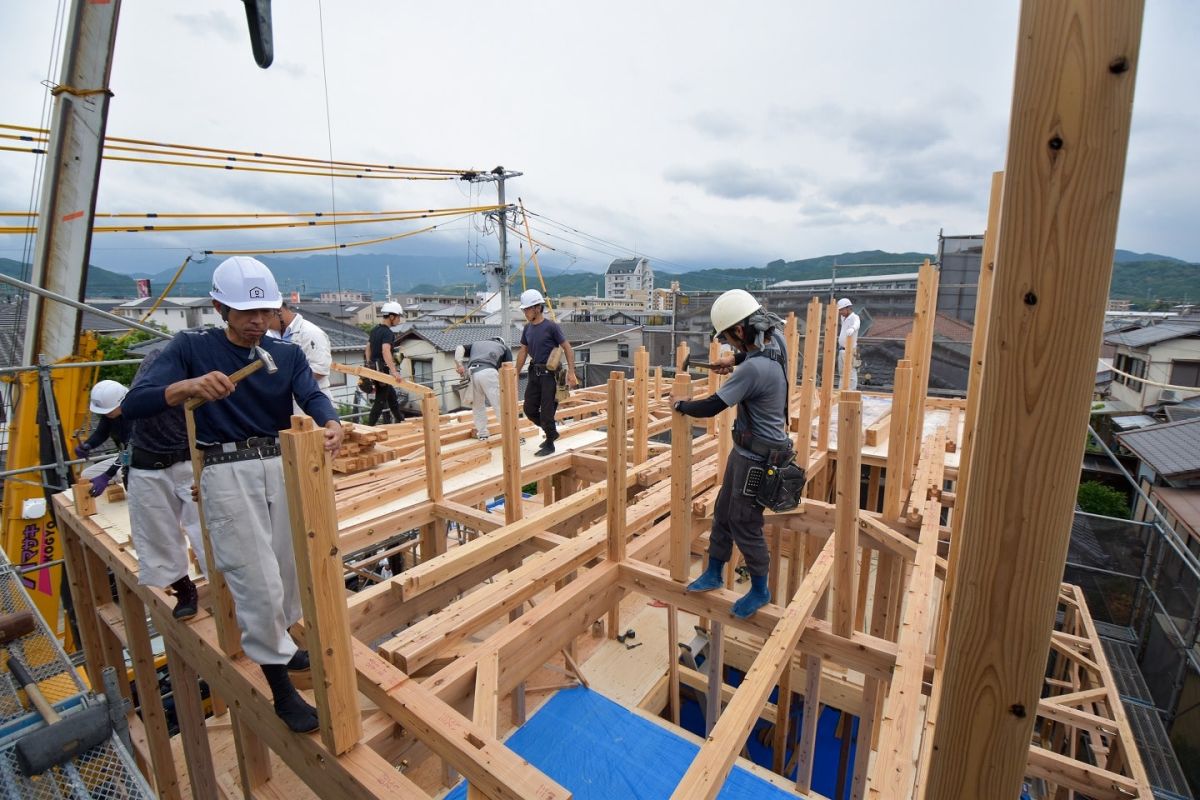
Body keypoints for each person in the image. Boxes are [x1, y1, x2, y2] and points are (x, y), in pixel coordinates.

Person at [123, 256, 344, 734]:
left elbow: (312, 394)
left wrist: (332, 422)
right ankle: (280, 688)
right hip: (224, 468)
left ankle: (281, 640)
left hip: (278, 463)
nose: (258, 323)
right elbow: (134, 403)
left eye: (265, 312)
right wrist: (184, 387)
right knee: (254, 577)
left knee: (286, 568)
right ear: (220, 307)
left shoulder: (284, 354)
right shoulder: (190, 348)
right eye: (247, 314)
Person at [671, 289, 790, 618]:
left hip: (760, 459)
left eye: (728, 339)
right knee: (724, 510)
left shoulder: (752, 372)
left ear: (740, 330)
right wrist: (732, 361)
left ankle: (760, 589)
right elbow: (755, 356)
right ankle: (714, 571)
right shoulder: (776, 341)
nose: (729, 345)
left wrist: (680, 405)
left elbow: (711, 407)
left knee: (744, 521)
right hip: (748, 451)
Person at [124, 349, 210, 620]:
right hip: (150, 460)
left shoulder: (216, 364)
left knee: (210, 528)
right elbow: (133, 405)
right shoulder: (158, 362)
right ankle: (184, 590)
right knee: (157, 533)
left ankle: (226, 586)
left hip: (191, 458)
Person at [512, 289, 577, 457]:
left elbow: (567, 348)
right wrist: (515, 373)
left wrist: (571, 372)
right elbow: (523, 351)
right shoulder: (527, 329)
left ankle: (550, 442)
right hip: (535, 373)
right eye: (524, 309)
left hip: (552, 375)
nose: (524, 312)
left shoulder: (551, 327)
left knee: (548, 413)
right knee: (529, 409)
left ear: (537, 308)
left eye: (527, 309)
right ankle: (552, 432)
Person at [269, 301, 333, 405]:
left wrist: (285, 380)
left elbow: (320, 369)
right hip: (285, 397)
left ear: (279, 312)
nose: (263, 322)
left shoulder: (310, 332)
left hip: (312, 396)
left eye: (266, 316)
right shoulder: (271, 333)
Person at [76, 380, 132, 497]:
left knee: (120, 474)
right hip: (124, 457)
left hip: (138, 458)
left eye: (108, 410)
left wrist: (107, 476)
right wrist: (88, 445)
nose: (106, 414)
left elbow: (130, 452)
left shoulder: (136, 416)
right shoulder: (111, 414)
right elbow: (101, 433)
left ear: (121, 402)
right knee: (87, 474)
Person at [454, 336, 513, 440]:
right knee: (500, 405)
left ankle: (482, 434)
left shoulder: (476, 344)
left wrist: (459, 365)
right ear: (501, 342)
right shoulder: (504, 348)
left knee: (478, 406)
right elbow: (508, 369)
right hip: (489, 372)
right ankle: (511, 435)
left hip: (472, 373)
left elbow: (459, 348)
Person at [365, 301, 407, 425]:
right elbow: (385, 350)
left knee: (391, 396)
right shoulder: (388, 333)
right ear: (392, 316)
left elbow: (367, 348)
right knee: (381, 400)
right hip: (382, 370)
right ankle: (370, 426)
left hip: (374, 368)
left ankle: (400, 420)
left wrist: (369, 364)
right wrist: (394, 371)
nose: (399, 320)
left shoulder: (375, 330)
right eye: (398, 317)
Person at [836, 297, 860, 390]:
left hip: (850, 350)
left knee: (851, 372)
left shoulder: (854, 317)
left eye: (841, 310)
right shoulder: (844, 318)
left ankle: (851, 392)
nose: (840, 312)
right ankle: (841, 391)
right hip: (842, 350)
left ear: (848, 308)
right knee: (842, 373)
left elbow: (857, 323)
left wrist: (853, 328)